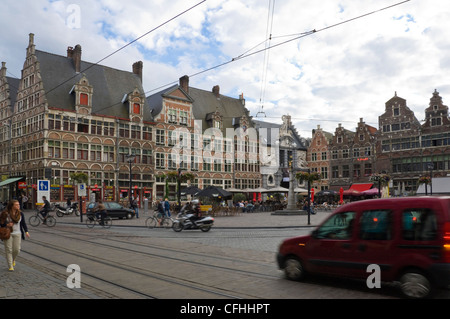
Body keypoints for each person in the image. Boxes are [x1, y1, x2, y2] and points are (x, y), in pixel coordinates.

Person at [0, 200, 30, 271]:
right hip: (7, 234)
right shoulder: (5, 213)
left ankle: (13, 259)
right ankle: (10, 266)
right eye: (16, 205)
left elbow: (23, 223)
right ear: (12, 206)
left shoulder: (20, 214)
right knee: (9, 250)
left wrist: (26, 231)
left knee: (17, 250)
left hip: (18, 233)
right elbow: (1, 223)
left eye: (18, 204)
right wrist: (6, 225)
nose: (18, 206)